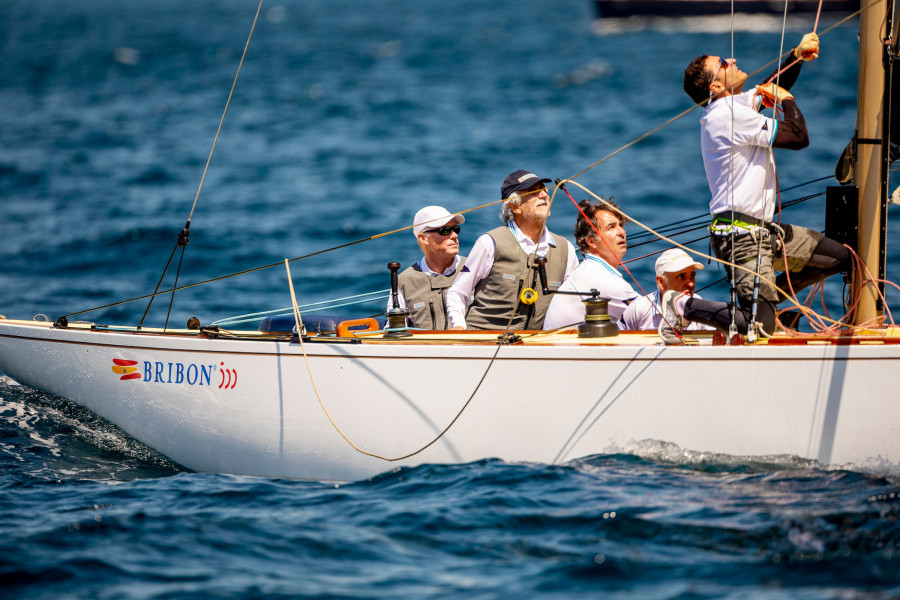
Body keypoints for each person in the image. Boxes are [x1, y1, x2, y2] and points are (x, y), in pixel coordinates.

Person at [677, 32, 850, 340]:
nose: (732, 60)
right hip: (740, 237)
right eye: (723, 63)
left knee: (840, 258)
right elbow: (798, 136)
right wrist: (787, 99)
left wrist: (797, 55)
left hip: (765, 231)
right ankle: (683, 306)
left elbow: (768, 86)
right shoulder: (727, 116)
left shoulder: (732, 106)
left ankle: (766, 300)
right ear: (716, 87)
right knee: (761, 327)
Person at [446, 170, 579, 330]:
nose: (543, 195)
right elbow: (457, 293)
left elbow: (574, 302)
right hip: (484, 343)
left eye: (544, 189)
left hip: (536, 346)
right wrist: (460, 328)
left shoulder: (566, 249)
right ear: (515, 206)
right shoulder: (490, 243)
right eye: (534, 191)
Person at [543, 199, 638, 330]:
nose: (621, 232)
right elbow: (650, 313)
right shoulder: (599, 277)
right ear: (592, 242)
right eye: (611, 227)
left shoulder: (591, 270)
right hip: (564, 349)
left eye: (621, 225)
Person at [388, 206, 466, 330]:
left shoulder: (474, 269)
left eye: (456, 229)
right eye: (445, 230)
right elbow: (395, 331)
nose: (454, 235)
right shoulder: (404, 281)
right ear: (423, 239)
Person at [620, 248, 713, 332]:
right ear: (661, 282)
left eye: (692, 276)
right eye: (681, 276)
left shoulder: (701, 309)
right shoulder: (638, 309)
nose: (691, 283)